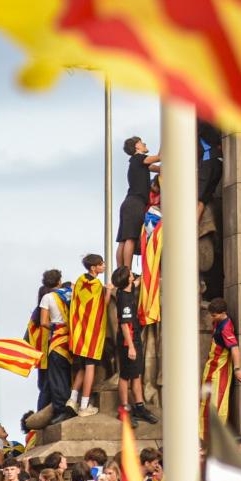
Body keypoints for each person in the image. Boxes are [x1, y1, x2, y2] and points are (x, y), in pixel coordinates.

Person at [111, 266, 157, 425]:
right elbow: (124, 325)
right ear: (128, 279)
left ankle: (139, 406)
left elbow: (137, 282)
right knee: (125, 376)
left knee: (136, 374)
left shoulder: (128, 288)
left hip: (135, 337)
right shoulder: (123, 297)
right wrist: (130, 346)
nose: (133, 274)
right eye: (131, 274)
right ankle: (124, 408)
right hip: (127, 340)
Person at [67, 253, 110, 417]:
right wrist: (109, 291)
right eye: (101, 264)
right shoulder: (97, 284)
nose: (104, 266)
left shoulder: (79, 281)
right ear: (94, 268)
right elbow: (103, 305)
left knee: (82, 368)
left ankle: (72, 399)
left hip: (79, 333)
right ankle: (84, 405)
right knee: (90, 367)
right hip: (92, 333)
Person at [201, 297, 241, 427]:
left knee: (216, 403)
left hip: (219, 370)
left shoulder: (225, 328)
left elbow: (234, 348)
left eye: (214, 315)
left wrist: (237, 369)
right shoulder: (218, 320)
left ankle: (215, 435)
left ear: (223, 313)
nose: (212, 318)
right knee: (205, 399)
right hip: (211, 367)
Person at [33, 269, 74, 421]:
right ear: (59, 280)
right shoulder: (71, 293)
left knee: (58, 378)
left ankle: (62, 410)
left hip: (57, 341)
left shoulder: (47, 298)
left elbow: (43, 322)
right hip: (75, 339)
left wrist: (55, 327)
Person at [116, 137, 159, 270]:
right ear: (137, 147)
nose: (145, 143)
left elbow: (156, 168)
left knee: (123, 239)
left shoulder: (138, 164)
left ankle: (120, 270)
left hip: (128, 203)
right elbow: (160, 157)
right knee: (130, 238)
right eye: (141, 142)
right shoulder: (139, 158)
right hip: (135, 203)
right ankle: (127, 270)